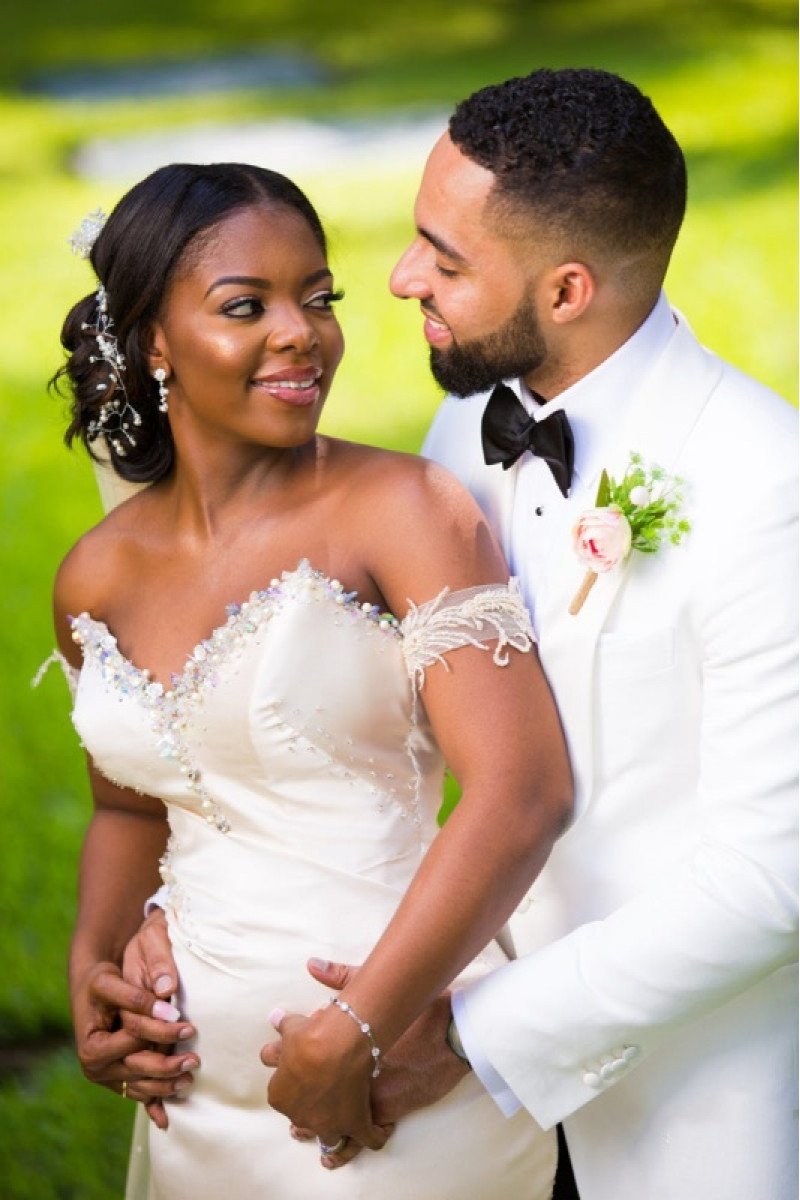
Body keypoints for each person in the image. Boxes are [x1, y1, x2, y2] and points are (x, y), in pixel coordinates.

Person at [71, 68, 798, 1197]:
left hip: (672, 1098)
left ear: (563, 290)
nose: (399, 277)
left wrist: (456, 1032)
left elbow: (772, 880)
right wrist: (179, 913)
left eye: (442, 258)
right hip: (397, 1008)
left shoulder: (763, 483)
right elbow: (318, 724)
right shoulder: (465, 431)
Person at [45, 161, 573, 1199]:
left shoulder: (402, 511)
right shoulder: (95, 572)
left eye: (317, 298)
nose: (302, 332)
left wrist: (355, 1029)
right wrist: (94, 971)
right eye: (247, 306)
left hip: (393, 1099)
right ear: (152, 339)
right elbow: (128, 806)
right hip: (194, 1108)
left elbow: (520, 794)